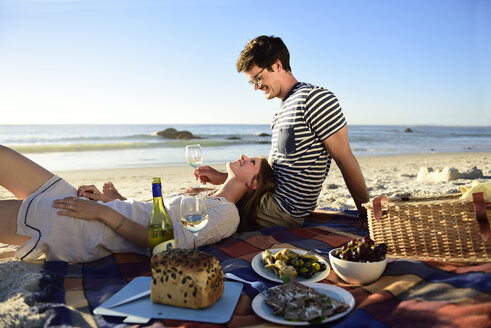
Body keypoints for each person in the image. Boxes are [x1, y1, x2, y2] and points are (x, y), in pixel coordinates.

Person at [195, 35, 369, 229]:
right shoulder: (282, 111)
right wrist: (221, 177)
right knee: (194, 195)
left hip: (281, 212)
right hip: (269, 200)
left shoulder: (314, 99)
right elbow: (268, 176)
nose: (255, 87)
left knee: (195, 206)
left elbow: (345, 159)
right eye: (251, 82)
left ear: (277, 65)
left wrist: (365, 215)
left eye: (258, 78)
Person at [0, 145, 275, 263]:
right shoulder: (207, 198)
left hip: (88, 228)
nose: (243, 156)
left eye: (251, 162)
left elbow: (161, 243)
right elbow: (148, 213)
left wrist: (104, 212)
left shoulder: (228, 215)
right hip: (95, 212)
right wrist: (111, 199)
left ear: (253, 185)